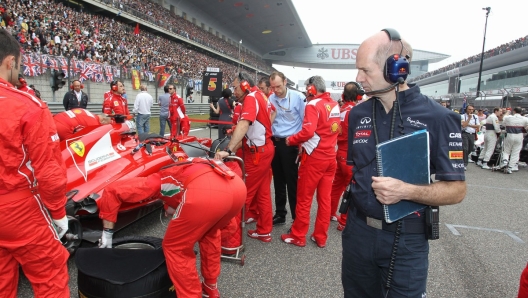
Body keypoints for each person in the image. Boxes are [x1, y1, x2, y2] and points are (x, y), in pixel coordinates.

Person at [342, 29, 466, 297]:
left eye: (365, 70)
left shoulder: (439, 117)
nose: (358, 78)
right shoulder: (357, 114)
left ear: (396, 68)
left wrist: (407, 191)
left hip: (407, 239)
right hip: (357, 234)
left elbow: (457, 190)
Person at [96, 157, 246, 298]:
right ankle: (210, 287)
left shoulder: (159, 180)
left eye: (165, 209)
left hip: (206, 193)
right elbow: (228, 227)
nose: (167, 215)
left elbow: (113, 190)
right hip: (237, 187)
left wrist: (107, 233)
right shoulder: (186, 168)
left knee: (175, 248)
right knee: (210, 234)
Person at [0, 28, 70, 297]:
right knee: (50, 272)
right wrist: (58, 212)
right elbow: (49, 169)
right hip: (17, 207)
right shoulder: (27, 105)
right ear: (10, 62)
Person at [280, 75, 339, 248]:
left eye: (308, 89)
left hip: (314, 159)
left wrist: (291, 140)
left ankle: (298, 235)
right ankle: (321, 236)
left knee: (304, 199)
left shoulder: (313, 105)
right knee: (325, 200)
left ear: (312, 88)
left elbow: (308, 132)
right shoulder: (334, 104)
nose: (307, 92)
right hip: (330, 158)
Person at [215, 72, 275, 243]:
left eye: (235, 87)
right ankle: (264, 231)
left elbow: (244, 124)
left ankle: (229, 241)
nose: (233, 91)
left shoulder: (252, 98)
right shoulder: (261, 96)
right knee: (263, 194)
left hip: (257, 154)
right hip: (263, 149)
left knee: (242, 195)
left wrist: (229, 149)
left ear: (245, 85)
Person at [268, 71, 306, 226]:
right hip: (275, 142)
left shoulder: (298, 97)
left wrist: (302, 143)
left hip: (290, 144)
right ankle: (280, 213)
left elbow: (306, 121)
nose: (276, 90)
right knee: (278, 180)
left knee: (292, 182)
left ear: (285, 82)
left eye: (278, 86)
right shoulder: (271, 98)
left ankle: (297, 218)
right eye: (273, 87)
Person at [330, 82, 361, 232]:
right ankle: (344, 221)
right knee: (351, 189)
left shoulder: (339, 109)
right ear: (358, 96)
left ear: (343, 96)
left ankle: (330, 213)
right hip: (351, 155)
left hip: (339, 152)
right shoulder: (357, 111)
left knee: (336, 186)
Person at [501, 107, 528, 174]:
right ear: (521, 112)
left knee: (507, 150)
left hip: (510, 135)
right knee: (516, 152)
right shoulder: (525, 119)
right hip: (519, 136)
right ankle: (510, 168)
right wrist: (524, 130)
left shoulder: (509, 117)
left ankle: (505, 161)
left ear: (514, 111)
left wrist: (508, 111)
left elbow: (503, 119)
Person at [461, 104, 480, 170]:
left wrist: (468, 125)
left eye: (472, 109)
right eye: (469, 109)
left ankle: (465, 157)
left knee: (471, 148)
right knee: (465, 148)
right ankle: (464, 163)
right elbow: (463, 125)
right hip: (465, 133)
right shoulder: (463, 116)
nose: (471, 111)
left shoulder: (475, 117)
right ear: (466, 109)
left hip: (472, 134)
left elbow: (477, 125)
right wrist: (469, 118)